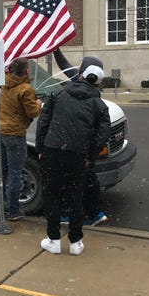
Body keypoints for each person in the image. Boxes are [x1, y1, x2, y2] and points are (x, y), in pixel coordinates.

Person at [36, 65, 110, 255]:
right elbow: (102, 136)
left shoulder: (58, 95)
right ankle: (75, 242)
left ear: (80, 76)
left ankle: (53, 239)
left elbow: (43, 122)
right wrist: (90, 156)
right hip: (78, 156)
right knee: (75, 196)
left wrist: (41, 149)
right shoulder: (99, 106)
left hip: (53, 150)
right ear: (98, 83)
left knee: (51, 195)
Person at [53, 48, 108, 226]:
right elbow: (102, 131)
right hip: (86, 145)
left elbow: (63, 65)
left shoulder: (74, 86)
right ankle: (95, 213)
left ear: (83, 72)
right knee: (87, 179)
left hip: (73, 145)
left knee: (71, 181)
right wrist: (55, 48)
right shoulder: (96, 94)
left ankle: (71, 216)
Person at [0, 57, 42, 220]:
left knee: (1, 172)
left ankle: (0, 207)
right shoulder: (26, 89)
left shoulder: (4, 84)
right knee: (15, 173)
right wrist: (38, 103)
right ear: (26, 71)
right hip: (16, 134)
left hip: (1, 132)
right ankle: (13, 211)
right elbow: (33, 112)